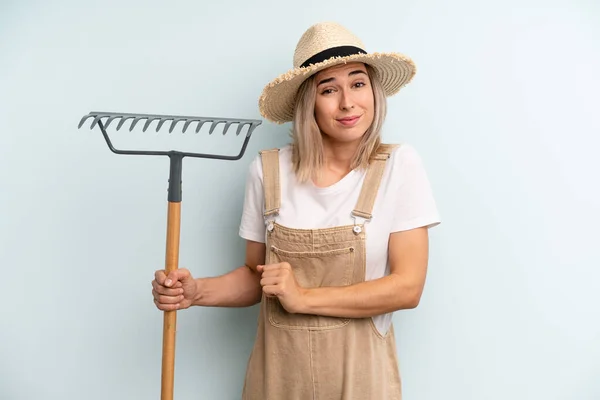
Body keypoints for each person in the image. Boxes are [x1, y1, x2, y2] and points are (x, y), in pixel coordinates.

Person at [151, 21, 441, 399]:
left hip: (360, 383)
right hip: (277, 380)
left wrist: (302, 297)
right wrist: (195, 292)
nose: (348, 103)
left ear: (374, 90)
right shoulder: (268, 171)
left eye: (358, 83)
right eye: (328, 90)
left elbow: (407, 288)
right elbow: (257, 279)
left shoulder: (398, 166)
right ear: (309, 103)